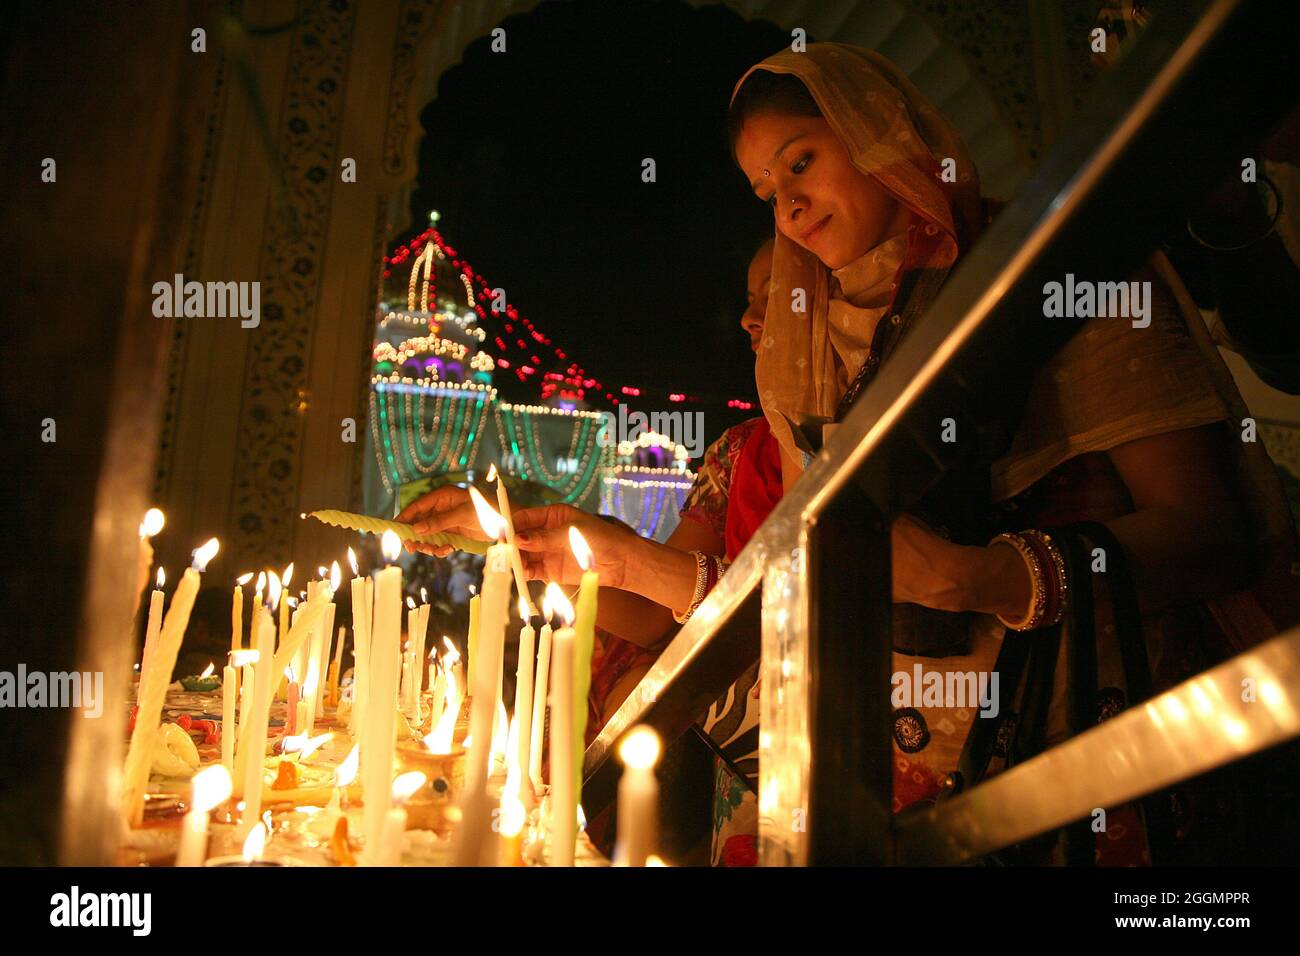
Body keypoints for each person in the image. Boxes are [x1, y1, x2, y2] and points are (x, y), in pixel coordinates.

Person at [403, 43, 1300, 865]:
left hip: (1088, 769)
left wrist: (990, 577)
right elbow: (800, 588)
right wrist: (597, 553)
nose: (788, 206)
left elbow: (1213, 535)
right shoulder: (804, 355)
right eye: (764, 191)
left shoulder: (1059, 277)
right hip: (882, 791)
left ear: (880, 129)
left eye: (800, 161)